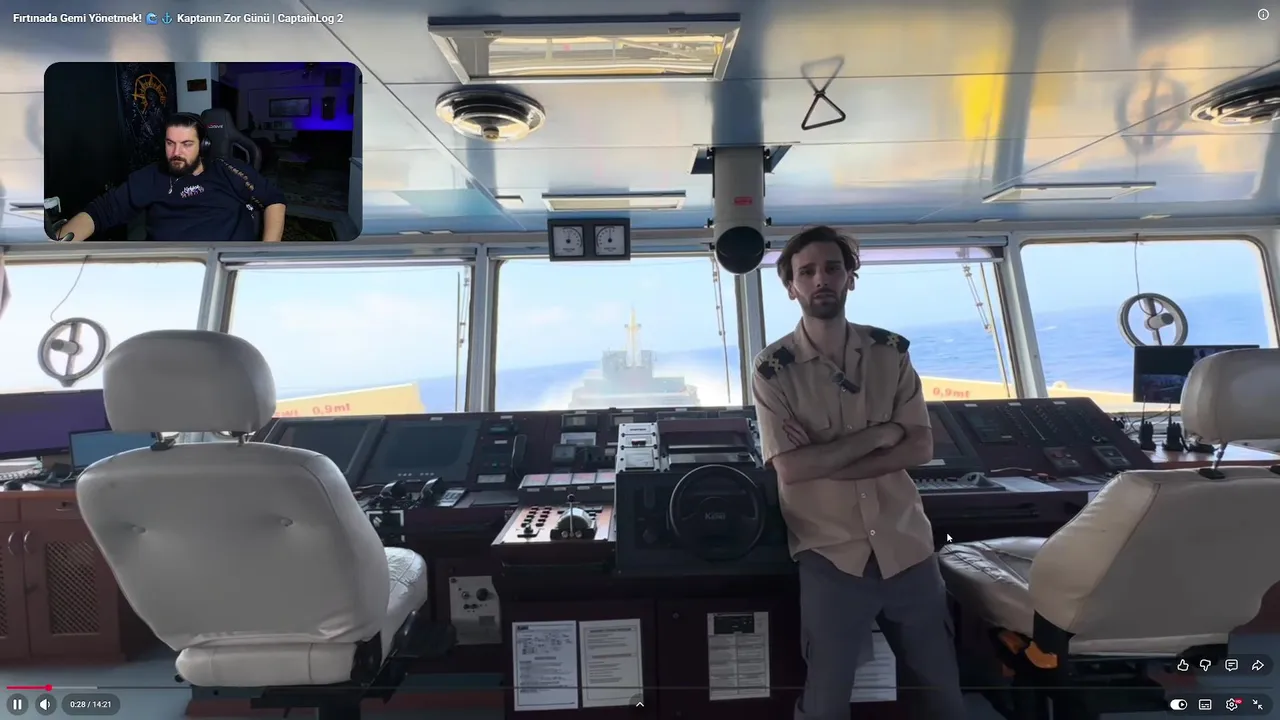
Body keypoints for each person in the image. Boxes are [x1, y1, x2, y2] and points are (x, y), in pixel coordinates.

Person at [751, 226, 967, 720]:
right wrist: (880, 435)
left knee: (944, 698)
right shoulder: (773, 369)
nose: (820, 279)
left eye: (832, 268)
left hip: (907, 546)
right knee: (826, 703)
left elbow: (920, 446)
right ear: (791, 287)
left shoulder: (891, 353)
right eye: (807, 272)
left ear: (850, 278)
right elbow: (792, 468)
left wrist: (828, 458)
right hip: (830, 555)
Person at [56, 113, 286, 242]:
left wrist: (266, 256)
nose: (176, 153)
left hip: (223, 267)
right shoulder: (151, 177)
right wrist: (57, 246)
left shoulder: (229, 170)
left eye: (186, 144)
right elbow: (100, 212)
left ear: (203, 146)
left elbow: (274, 199)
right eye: (170, 143)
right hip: (167, 269)